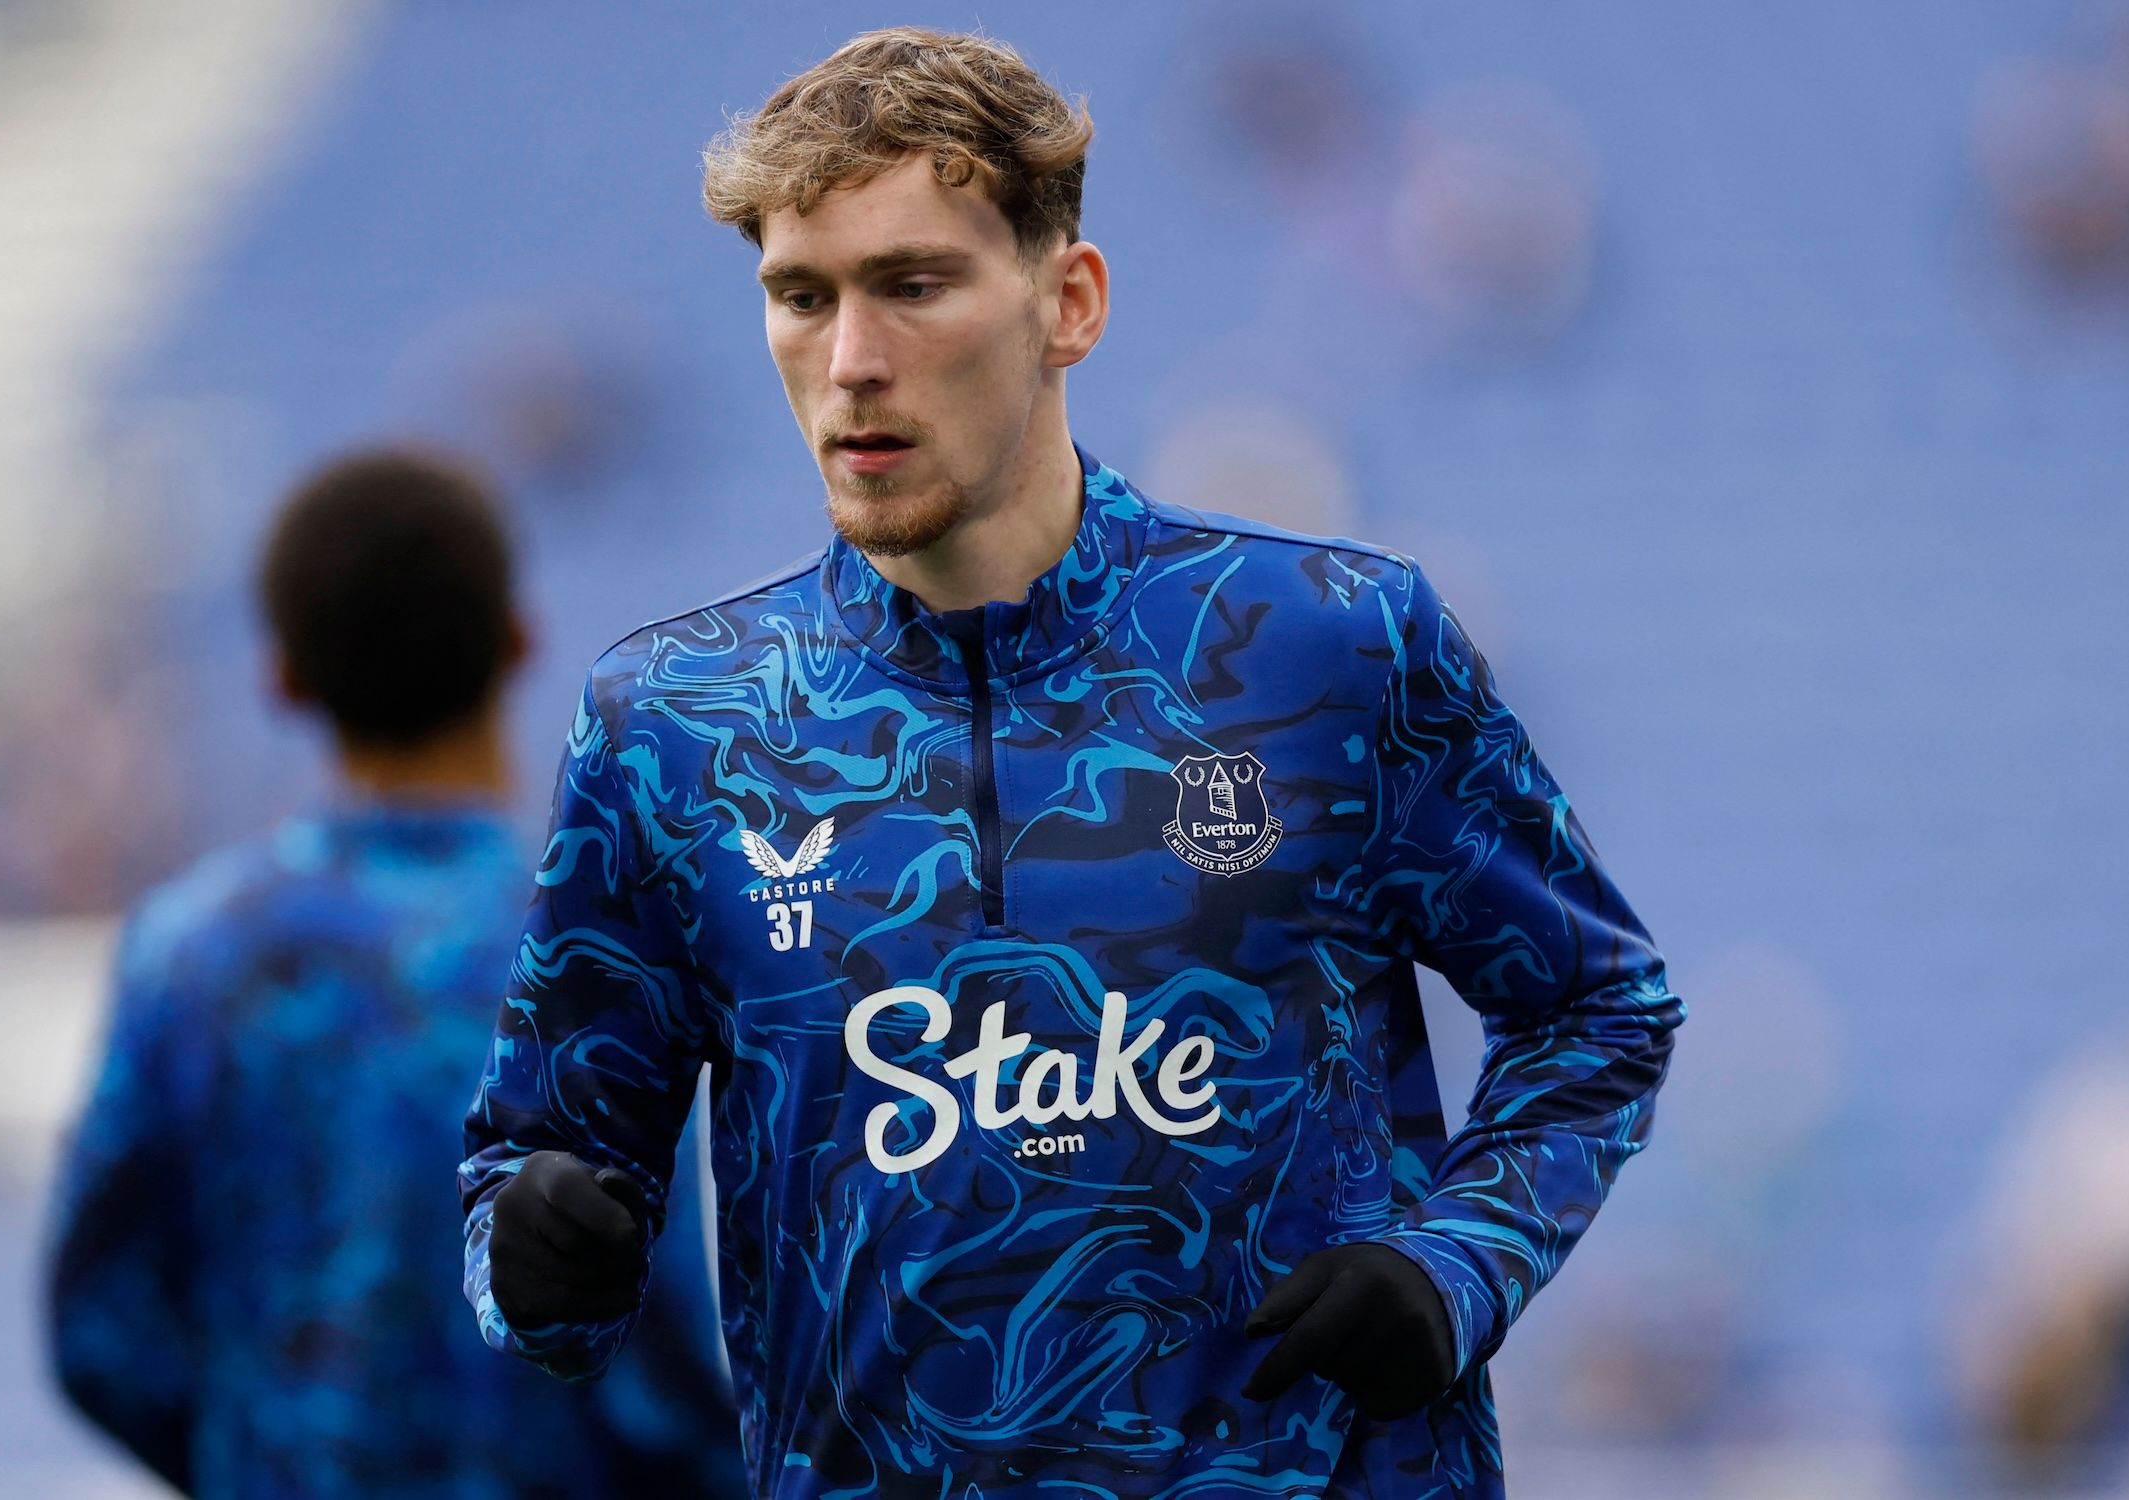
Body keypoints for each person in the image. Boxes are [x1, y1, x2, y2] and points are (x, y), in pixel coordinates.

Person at [460, 28, 1683, 1498]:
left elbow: (1600, 1008)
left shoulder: (1331, 645)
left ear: (1068, 303)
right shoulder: (672, 727)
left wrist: (1454, 1269)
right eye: (802, 296)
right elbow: (539, 1194)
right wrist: (530, 1256)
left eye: (912, 285)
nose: (851, 360)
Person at [47, 450, 743, 1498]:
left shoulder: (190, 955)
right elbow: (663, 1361)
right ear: (520, 640)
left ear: (280, 675)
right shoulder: (596, 954)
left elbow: (103, 1330)